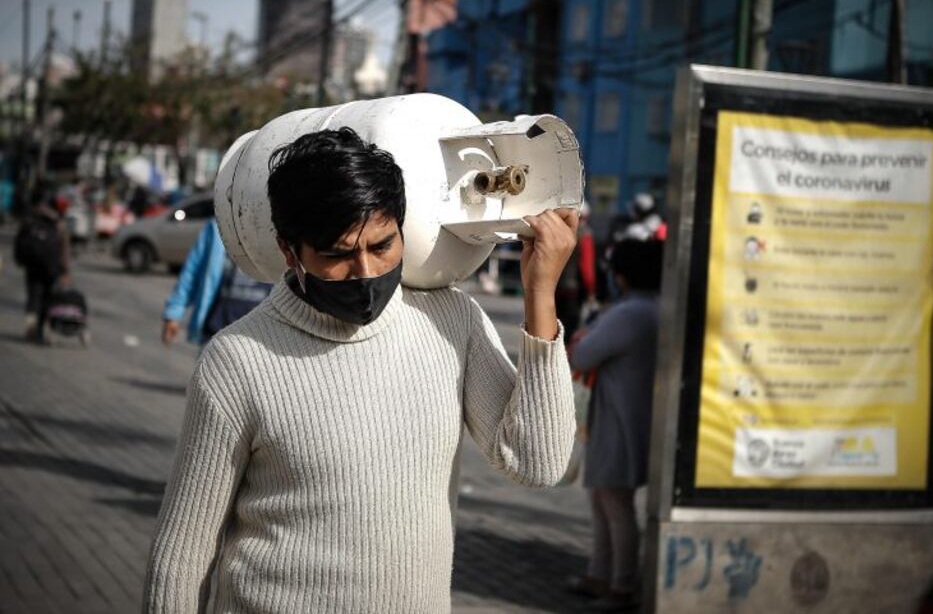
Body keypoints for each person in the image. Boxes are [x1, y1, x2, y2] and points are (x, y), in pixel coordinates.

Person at [142, 127, 579, 612]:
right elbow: (182, 554)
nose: (366, 272)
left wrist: (541, 295)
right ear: (291, 252)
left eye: (382, 246)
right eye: (338, 255)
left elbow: (537, 463)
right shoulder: (238, 360)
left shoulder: (453, 321)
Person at [566, 238, 663, 610]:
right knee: (604, 500)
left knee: (615, 505)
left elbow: (584, 353)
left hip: (618, 421)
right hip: (626, 416)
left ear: (622, 275)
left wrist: (581, 337)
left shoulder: (630, 313)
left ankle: (621, 585)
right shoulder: (649, 308)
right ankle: (599, 574)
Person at [161, 217, 271, 347]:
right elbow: (191, 272)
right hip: (215, 333)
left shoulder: (277, 227)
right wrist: (174, 313)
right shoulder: (217, 228)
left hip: (261, 340)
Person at [13, 190, 71, 343]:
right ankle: (41, 330)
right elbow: (63, 249)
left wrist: (19, 259)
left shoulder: (30, 218)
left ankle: (30, 327)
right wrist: (64, 270)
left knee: (33, 296)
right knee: (47, 298)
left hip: (32, 265)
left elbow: (20, 240)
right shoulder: (58, 222)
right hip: (51, 267)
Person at [556, 201, 597, 343]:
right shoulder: (585, 235)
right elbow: (587, 267)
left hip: (554, 286)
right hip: (573, 290)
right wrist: (591, 290)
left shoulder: (557, 232)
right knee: (568, 331)